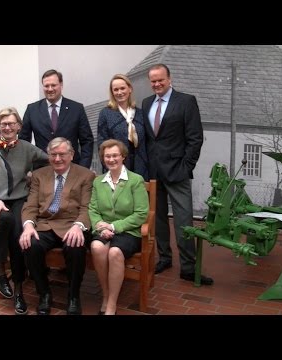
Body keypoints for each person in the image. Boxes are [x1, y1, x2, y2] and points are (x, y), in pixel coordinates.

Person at [142, 63, 213, 285]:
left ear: (169, 79)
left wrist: (185, 167)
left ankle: (189, 267)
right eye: (153, 81)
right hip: (154, 172)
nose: (157, 84)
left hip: (177, 172)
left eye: (160, 79)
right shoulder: (146, 103)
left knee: (183, 221)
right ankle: (164, 258)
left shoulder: (186, 101)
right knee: (159, 220)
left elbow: (195, 138)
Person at [0, 107, 49, 315]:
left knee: (18, 235)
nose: (7, 127)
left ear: (19, 126)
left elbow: (51, 160)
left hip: (19, 199)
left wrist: (33, 175)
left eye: (11, 123)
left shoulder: (28, 148)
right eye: (3, 124)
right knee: (7, 218)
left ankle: (18, 289)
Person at [19, 137, 95, 315]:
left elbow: (87, 207)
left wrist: (78, 226)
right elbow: (30, 205)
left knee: (75, 246)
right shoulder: (39, 175)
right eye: (53, 154)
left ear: (71, 155)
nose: (57, 159)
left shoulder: (86, 175)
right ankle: (44, 293)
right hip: (45, 224)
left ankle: (73, 296)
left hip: (71, 225)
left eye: (62, 154)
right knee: (30, 244)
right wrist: (28, 225)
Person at [88, 139, 149, 315]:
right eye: (107, 156)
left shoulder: (135, 180)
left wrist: (114, 226)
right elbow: (92, 209)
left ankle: (112, 303)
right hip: (103, 229)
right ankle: (106, 295)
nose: (111, 159)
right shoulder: (98, 182)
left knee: (115, 252)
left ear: (123, 157)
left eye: (115, 155)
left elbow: (141, 214)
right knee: (97, 247)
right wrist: (100, 226)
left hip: (129, 231)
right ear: (103, 158)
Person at [21, 69, 94, 168]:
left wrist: (83, 168)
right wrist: (27, 168)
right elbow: (23, 142)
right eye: (46, 86)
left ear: (61, 85)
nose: (50, 89)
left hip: (72, 170)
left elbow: (86, 141)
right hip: (42, 171)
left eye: (53, 85)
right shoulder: (32, 110)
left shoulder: (77, 109)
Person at [97, 74, 149, 180]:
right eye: (116, 90)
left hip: (141, 169)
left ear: (129, 89)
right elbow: (102, 145)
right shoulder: (106, 113)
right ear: (112, 92)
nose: (119, 92)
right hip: (117, 169)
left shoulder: (140, 113)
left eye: (122, 88)